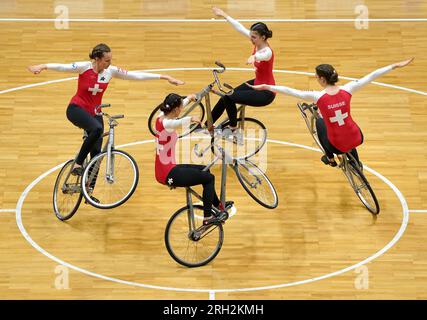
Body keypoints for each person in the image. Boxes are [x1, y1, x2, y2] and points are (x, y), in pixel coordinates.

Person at [28, 43, 184, 179]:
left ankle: (88, 187)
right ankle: (78, 163)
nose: (110, 63)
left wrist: (165, 77)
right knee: (96, 129)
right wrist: (42, 66)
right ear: (97, 59)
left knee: (97, 155)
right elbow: (63, 67)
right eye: (107, 60)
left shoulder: (111, 71)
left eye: (111, 60)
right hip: (76, 109)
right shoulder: (84, 67)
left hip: (94, 113)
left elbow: (135, 76)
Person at [247, 58, 414, 166]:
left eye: (316, 76)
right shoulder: (349, 89)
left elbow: (289, 91)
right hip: (357, 136)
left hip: (337, 145)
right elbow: (371, 76)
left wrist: (266, 86)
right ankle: (357, 163)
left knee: (320, 122)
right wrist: (394, 65)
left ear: (322, 79)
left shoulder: (317, 97)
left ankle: (330, 158)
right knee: (347, 132)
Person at [155, 93, 233, 225]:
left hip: (167, 168)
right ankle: (207, 218)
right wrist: (191, 118)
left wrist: (188, 99)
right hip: (168, 173)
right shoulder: (168, 123)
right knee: (209, 178)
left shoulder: (160, 117)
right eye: (180, 108)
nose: (181, 109)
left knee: (205, 170)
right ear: (175, 110)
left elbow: (176, 110)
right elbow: (178, 122)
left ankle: (217, 205)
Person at [209, 7, 276, 132]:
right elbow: (239, 27)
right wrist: (224, 15)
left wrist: (254, 56)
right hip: (257, 83)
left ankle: (233, 127)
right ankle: (208, 124)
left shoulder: (267, 51)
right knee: (225, 96)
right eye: (251, 36)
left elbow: (263, 56)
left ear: (262, 37)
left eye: (254, 37)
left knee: (229, 97)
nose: (251, 39)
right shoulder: (256, 41)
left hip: (266, 93)